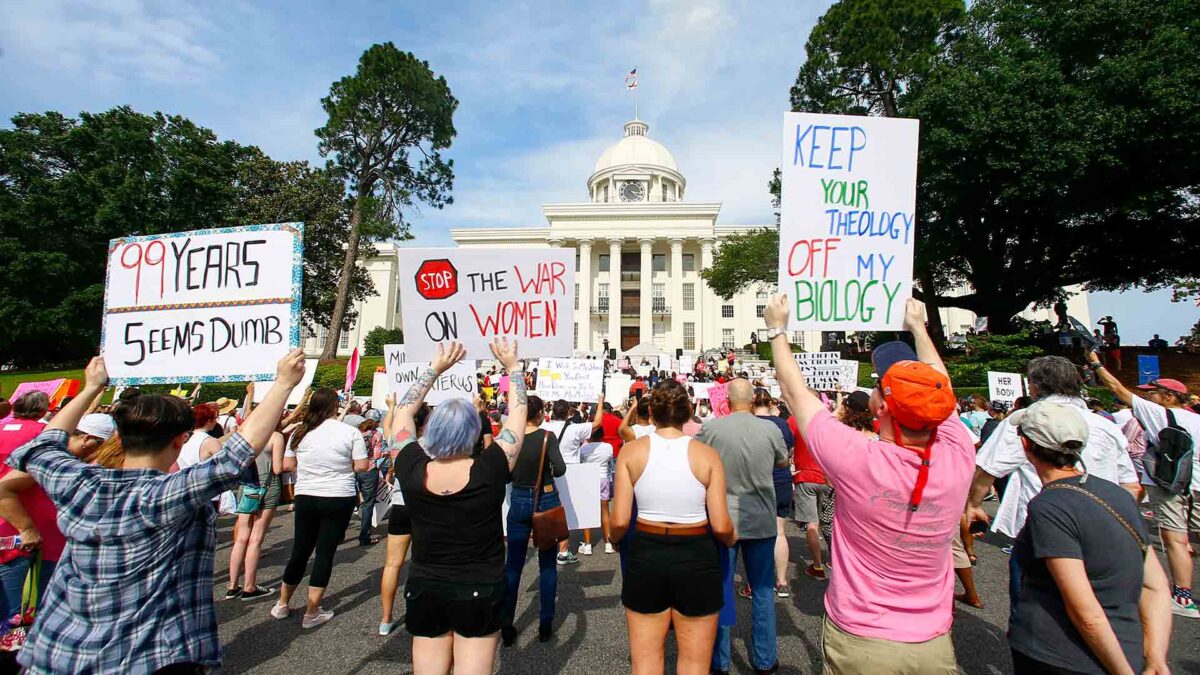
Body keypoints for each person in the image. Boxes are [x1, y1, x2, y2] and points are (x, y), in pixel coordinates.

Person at [0, 350, 304, 673]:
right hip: (146, 656)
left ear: (119, 437)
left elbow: (43, 447)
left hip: (61, 653)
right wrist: (283, 383)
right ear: (178, 441)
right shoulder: (166, 494)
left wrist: (91, 389)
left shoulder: (80, 483)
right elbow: (233, 458)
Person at [769, 295, 974, 673]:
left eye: (879, 386)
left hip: (862, 639)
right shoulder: (959, 453)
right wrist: (919, 329)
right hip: (933, 643)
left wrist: (777, 330)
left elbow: (795, 392)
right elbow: (941, 389)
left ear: (881, 408)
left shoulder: (859, 459)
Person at [967, 355, 1140, 618]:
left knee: (1036, 615)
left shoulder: (1028, 420)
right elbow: (1131, 486)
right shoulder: (1106, 426)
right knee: (1105, 611)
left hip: (1042, 531)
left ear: (1035, 387)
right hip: (1105, 532)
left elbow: (988, 470)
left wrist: (973, 505)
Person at [1006, 401, 1172, 674]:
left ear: (1026, 446)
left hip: (1060, 653)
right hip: (1126, 645)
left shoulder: (1049, 506)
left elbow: (1085, 611)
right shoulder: (1117, 494)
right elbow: (1155, 586)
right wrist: (1155, 655)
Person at [391, 339, 526, 674]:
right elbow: (519, 414)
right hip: (479, 585)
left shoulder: (410, 468)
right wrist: (513, 368)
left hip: (426, 584)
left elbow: (403, 412)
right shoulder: (490, 468)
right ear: (473, 432)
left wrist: (434, 370)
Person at [611, 379, 736, 675]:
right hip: (696, 552)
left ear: (651, 412)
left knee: (645, 662)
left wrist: (616, 540)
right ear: (688, 412)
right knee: (694, 663)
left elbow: (619, 520)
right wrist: (733, 538)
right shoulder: (707, 455)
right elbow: (720, 525)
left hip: (646, 548)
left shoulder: (631, 452)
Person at [1087, 350, 1200, 619]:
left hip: (1170, 484)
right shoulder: (1196, 418)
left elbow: (1116, 387)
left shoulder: (1159, 414)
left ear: (1169, 397)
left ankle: (1183, 597)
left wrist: (1096, 363)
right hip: (1196, 482)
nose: (1149, 395)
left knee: (1175, 540)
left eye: (1154, 391)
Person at [696, 378, 788, 675]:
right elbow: (782, 463)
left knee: (720, 589)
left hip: (723, 518)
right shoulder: (771, 428)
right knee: (762, 590)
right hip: (760, 518)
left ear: (727, 400)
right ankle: (764, 658)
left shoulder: (711, 428)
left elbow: (695, 462)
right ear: (752, 399)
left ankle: (719, 659)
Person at [0, 412, 113, 622]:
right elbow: (3, 489)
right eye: (102, 447)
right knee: (17, 620)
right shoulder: (53, 459)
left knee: (31, 618)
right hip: (25, 551)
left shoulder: (67, 459)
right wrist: (27, 528)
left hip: (45, 550)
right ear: (88, 440)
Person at [271, 389, 368, 628]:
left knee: (300, 550)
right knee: (325, 552)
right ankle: (312, 610)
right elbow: (362, 465)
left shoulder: (299, 431)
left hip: (307, 493)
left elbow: (287, 465)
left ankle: (283, 603)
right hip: (338, 494)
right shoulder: (349, 432)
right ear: (335, 405)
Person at [503, 395, 567, 645]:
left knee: (514, 565)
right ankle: (545, 622)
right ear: (540, 413)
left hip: (519, 497)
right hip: (545, 499)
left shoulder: (512, 438)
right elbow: (560, 468)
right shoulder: (547, 437)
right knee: (548, 565)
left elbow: (505, 474)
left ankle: (507, 623)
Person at [225, 396, 285, 601]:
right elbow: (277, 468)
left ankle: (232, 585)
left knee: (241, 537)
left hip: (246, 486)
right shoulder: (275, 436)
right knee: (256, 538)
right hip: (268, 486)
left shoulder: (243, 435)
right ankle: (250, 585)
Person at [379, 397, 430, 636]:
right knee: (424, 563)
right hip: (424, 505)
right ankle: (420, 612)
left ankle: (386, 618)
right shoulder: (434, 444)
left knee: (392, 564)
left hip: (400, 504)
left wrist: (391, 409)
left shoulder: (399, 443)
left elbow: (387, 427)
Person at [542, 397, 602, 562]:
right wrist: (600, 401)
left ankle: (549, 547)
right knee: (566, 511)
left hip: (550, 471)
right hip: (571, 472)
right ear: (568, 412)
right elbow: (597, 424)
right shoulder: (575, 429)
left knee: (548, 509)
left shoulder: (545, 426)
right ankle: (563, 550)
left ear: (553, 411)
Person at [752, 388, 795, 598]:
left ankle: (756, 583)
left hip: (757, 480)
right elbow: (789, 453)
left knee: (755, 535)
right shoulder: (783, 425)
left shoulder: (749, 424)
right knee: (779, 532)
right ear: (770, 404)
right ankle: (782, 581)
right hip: (781, 479)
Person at [579, 426, 616, 554]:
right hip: (603, 478)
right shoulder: (608, 447)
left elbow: (580, 461)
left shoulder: (583, 448)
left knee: (587, 512)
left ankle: (588, 545)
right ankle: (608, 543)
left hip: (588, 478)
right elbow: (610, 460)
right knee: (605, 511)